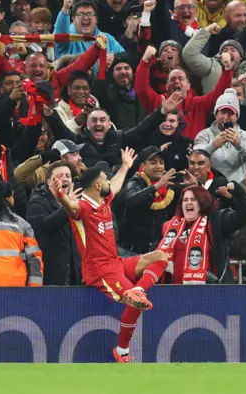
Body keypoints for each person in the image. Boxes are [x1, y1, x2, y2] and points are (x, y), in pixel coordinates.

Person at [55, 148, 170, 363]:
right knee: (135, 303)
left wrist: (126, 165)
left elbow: (115, 185)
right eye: (105, 179)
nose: (109, 181)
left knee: (161, 256)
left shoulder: (104, 201)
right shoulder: (83, 208)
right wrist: (61, 197)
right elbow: (70, 207)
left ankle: (137, 290)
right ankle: (122, 350)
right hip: (99, 271)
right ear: (98, 185)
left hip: (116, 263)